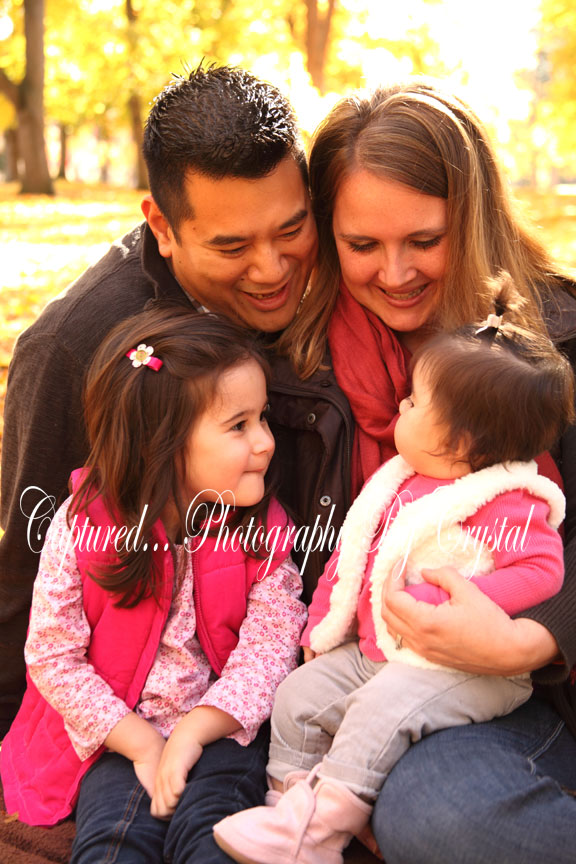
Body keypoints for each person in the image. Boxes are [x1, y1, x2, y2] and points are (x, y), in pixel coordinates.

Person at [0, 62, 352, 736]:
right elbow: (29, 575)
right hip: (133, 723)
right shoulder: (76, 347)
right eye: (232, 246)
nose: (272, 269)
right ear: (162, 226)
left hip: (278, 679)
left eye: (290, 229)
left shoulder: (340, 275)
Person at [277, 80, 576, 863]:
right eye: (362, 245)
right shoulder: (297, 361)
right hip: (363, 665)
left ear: (471, 218)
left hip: (530, 689)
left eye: (424, 239)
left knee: (441, 813)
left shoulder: (557, 346)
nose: (395, 272)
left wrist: (530, 640)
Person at [212, 286, 574, 864]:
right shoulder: (401, 482)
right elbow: (352, 553)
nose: (401, 406)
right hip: (382, 650)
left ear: (457, 441)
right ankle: (288, 806)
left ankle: (321, 829)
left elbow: (543, 569)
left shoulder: (506, 500)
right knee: (299, 695)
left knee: (381, 711)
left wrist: (462, 600)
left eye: (415, 401)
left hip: (466, 666)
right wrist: (323, 623)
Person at [0, 306, 307, 864]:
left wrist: (197, 729)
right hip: (119, 733)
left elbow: (271, 647)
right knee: (114, 840)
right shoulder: (83, 526)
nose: (266, 441)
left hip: (225, 728)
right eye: (239, 426)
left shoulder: (261, 531)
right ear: (160, 442)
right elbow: (52, 654)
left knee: (216, 832)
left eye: (261, 417)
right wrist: (138, 742)